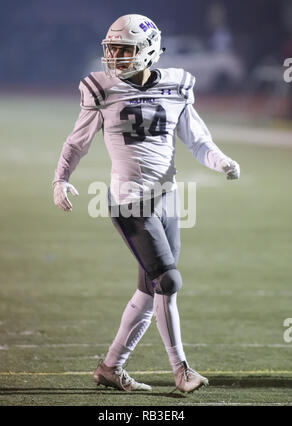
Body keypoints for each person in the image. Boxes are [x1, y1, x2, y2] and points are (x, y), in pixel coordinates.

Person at [53, 14, 240, 393]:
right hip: (129, 201)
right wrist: (60, 178)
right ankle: (182, 370)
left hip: (167, 199)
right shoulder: (101, 88)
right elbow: (77, 142)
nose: (116, 56)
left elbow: (198, 140)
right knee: (168, 280)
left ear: (149, 50)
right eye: (112, 48)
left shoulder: (177, 85)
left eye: (124, 49)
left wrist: (222, 161)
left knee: (149, 288)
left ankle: (110, 368)